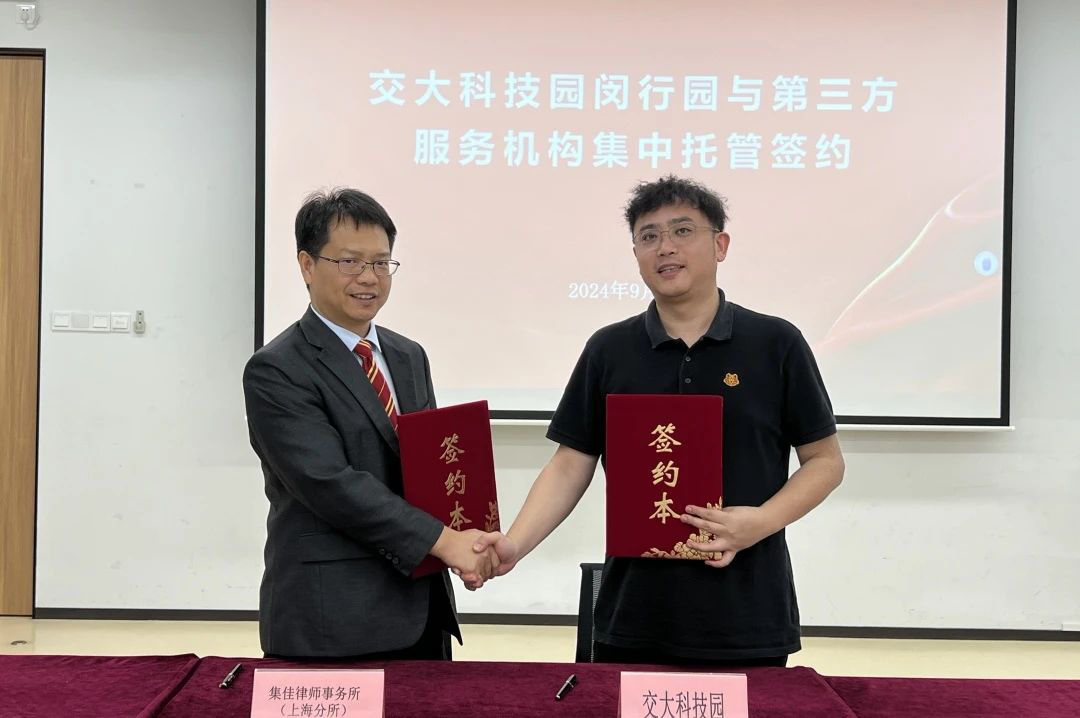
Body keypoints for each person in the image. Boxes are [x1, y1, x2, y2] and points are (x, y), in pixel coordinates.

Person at [471, 176, 844, 666]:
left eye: (683, 231)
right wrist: (515, 543)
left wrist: (761, 522)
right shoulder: (610, 349)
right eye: (648, 236)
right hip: (634, 615)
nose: (665, 247)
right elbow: (570, 464)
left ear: (721, 245)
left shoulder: (776, 343)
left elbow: (825, 462)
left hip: (748, 612)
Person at [243, 188, 495, 659]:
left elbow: (429, 467)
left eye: (381, 263)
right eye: (350, 262)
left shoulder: (407, 355)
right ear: (306, 265)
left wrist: (469, 540)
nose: (369, 278)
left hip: (421, 604)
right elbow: (329, 484)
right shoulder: (277, 368)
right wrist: (446, 541)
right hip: (332, 614)